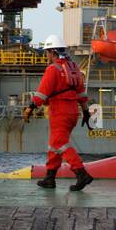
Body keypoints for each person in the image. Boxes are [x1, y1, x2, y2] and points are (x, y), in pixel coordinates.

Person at [23, 34, 94, 192]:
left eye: (47, 52)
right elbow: (81, 93)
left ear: (53, 52)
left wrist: (29, 108)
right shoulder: (73, 68)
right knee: (54, 145)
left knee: (60, 144)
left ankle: (82, 174)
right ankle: (50, 178)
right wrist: (86, 111)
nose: (46, 56)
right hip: (73, 112)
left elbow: (42, 93)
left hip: (59, 111)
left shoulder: (53, 69)